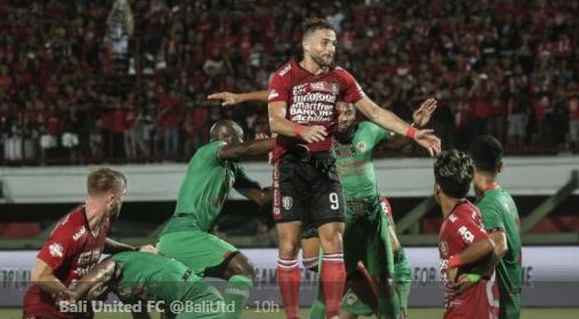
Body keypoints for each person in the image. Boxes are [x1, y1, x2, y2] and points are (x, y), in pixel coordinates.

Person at [267, 17, 442, 319]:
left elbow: (376, 112)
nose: (331, 47)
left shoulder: (344, 84)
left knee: (384, 282)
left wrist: (412, 132)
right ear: (305, 44)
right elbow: (275, 119)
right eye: (325, 41)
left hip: (368, 216)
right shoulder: (288, 79)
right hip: (317, 192)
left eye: (334, 42)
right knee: (307, 264)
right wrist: (297, 133)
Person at [209, 91, 433, 319]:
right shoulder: (317, 135)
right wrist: (243, 100)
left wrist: (413, 127)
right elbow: (283, 98)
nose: (344, 117)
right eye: (339, 112)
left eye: (349, 112)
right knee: (328, 285)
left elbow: (397, 141)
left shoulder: (368, 131)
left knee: (380, 281)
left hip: (368, 220)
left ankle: (384, 306)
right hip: (336, 221)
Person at [156, 119, 272, 319]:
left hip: (176, 238)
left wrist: (282, 165)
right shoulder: (210, 150)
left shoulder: (232, 168)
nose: (242, 141)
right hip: (186, 233)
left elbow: (261, 198)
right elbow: (248, 149)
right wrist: (280, 141)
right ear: (227, 137)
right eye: (240, 137)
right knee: (244, 270)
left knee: (173, 310)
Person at [23, 167, 157, 319]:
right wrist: (70, 295)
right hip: (46, 312)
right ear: (112, 199)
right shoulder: (71, 231)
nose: (123, 201)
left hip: (77, 313)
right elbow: (39, 275)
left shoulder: (102, 223)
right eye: (122, 196)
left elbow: (100, 242)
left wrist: (134, 250)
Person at [433, 149, 499, 319]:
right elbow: (494, 250)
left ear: (437, 188)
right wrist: (474, 274)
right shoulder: (470, 210)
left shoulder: (457, 219)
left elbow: (487, 244)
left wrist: (452, 262)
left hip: (467, 312)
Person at [67, 251, 227, 319]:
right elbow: (141, 316)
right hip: (187, 303)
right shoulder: (125, 290)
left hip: (200, 299)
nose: (98, 300)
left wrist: (74, 294)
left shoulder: (113, 264)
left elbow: (103, 270)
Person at [469, 135, 523, 319]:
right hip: (511, 299)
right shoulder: (506, 198)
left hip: (499, 305)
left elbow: (500, 245)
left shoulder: (488, 204)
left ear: (470, 166)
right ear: (501, 166)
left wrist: (473, 276)